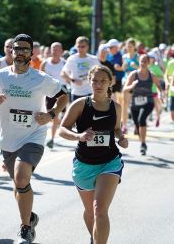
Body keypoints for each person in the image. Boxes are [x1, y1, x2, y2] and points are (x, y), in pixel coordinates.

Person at [0, 34, 68, 243]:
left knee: (20, 178)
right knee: (19, 184)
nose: (20, 53)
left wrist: (51, 115)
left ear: (31, 54)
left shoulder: (40, 78)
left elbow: (64, 95)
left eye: (24, 49)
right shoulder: (0, 76)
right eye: (16, 49)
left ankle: (25, 229)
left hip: (33, 135)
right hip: (8, 139)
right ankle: (30, 217)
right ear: (11, 51)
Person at [59, 65, 128, 244]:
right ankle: (94, 237)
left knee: (100, 210)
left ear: (110, 82)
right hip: (84, 164)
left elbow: (117, 129)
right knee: (90, 212)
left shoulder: (116, 107)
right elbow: (62, 129)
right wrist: (78, 136)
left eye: (103, 80)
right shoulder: (81, 104)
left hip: (109, 162)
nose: (98, 84)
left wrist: (121, 138)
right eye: (95, 80)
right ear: (90, 82)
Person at [123, 54, 162, 155]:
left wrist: (161, 94)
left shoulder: (151, 75)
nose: (143, 63)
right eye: (141, 61)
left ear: (148, 63)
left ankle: (143, 144)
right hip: (135, 102)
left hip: (148, 101)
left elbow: (159, 87)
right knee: (137, 125)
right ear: (139, 62)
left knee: (142, 120)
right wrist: (132, 85)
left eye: (145, 61)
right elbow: (125, 89)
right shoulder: (133, 74)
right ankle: (141, 139)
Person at [40, 42, 67, 149]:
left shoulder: (65, 63)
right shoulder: (45, 63)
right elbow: (40, 78)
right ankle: (58, 124)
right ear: (50, 50)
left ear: (61, 51)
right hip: (48, 92)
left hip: (61, 93)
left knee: (54, 115)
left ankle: (51, 139)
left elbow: (69, 76)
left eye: (57, 49)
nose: (55, 51)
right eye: (53, 49)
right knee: (49, 114)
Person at [61, 36, 100, 101]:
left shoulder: (93, 59)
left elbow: (102, 72)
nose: (80, 49)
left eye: (83, 46)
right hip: (76, 93)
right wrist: (73, 80)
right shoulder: (72, 59)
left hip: (90, 92)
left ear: (87, 47)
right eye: (78, 46)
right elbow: (62, 74)